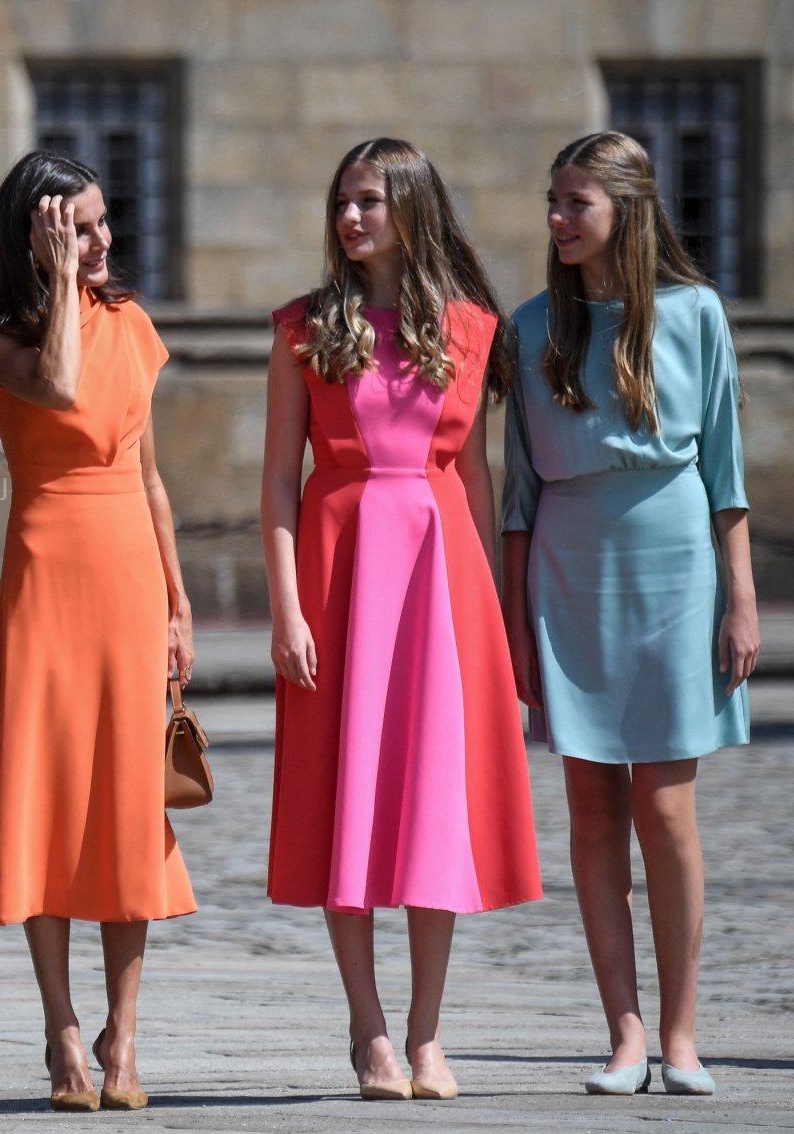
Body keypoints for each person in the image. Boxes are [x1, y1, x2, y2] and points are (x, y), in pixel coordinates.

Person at [261, 138, 542, 1102]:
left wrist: (497, 623)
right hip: (337, 577)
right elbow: (275, 485)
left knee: (431, 804)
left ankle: (427, 1035)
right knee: (345, 800)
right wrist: (286, 609)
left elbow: (474, 477)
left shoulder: (471, 329)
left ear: (412, 209)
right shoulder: (302, 328)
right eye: (343, 201)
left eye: (371, 201)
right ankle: (369, 1029)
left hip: (440, 582)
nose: (351, 218)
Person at [501, 131, 759, 1097]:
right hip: (568, 570)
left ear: (628, 211)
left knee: (666, 805)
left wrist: (740, 599)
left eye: (578, 203)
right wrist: (514, 624)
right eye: (553, 202)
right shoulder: (530, 329)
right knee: (591, 804)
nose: (559, 219)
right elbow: (516, 496)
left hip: (679, 564)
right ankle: (623, 1032)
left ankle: (685, 1035)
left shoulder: (697, 316)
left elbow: (727, 473)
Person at [0, 151, 196, 1113]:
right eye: (79, 228)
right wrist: (57, 283)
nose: (101, 243)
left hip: (130, 578)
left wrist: (179, 605)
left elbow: (146, 477)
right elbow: (56, 389)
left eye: (103, 225)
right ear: (36, 234)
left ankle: (124, 1038)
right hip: (46, 578)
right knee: (48, 799)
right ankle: (63, 1033)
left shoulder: (131, 324)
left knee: (128, 809)